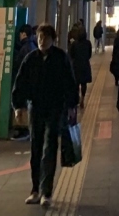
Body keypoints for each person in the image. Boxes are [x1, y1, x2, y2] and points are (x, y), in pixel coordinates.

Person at [11, 22, 78, 208]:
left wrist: (71, 105)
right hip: (36, 108)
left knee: (50, 147)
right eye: (40, 37)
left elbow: (69, 82)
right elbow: (20, 83)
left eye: (45, 38)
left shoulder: (61, 58)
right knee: (36, 148)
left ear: (53, 39)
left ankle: (46, 192)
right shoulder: (31, 59)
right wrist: (18, 106)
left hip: (56, 109)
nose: (42, 41)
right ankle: (35, 189)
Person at [68, 23, 93, 110]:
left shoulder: (74, 44)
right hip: (85, 65)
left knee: (76, 83)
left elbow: (71, 55)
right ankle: (82, 98)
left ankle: (77, 98)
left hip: (76, 65)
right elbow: (89, 55)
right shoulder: (88, 43)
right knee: (84, 83)